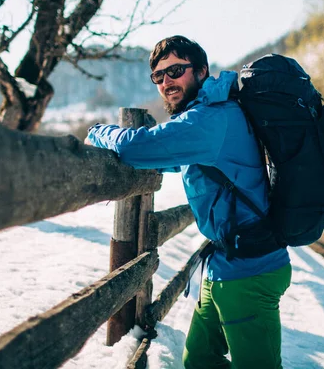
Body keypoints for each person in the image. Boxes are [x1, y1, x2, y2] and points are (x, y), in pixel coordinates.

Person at [85, 36, 291, 369]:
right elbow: (174, 159)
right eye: (159, 76)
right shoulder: (210, 114)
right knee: (199, 361)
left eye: (176, 70)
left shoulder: (209, 120)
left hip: (249, 271)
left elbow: (136, 147)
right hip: (226, 265)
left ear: (201, 70)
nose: (166, 81)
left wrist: (97, 132)